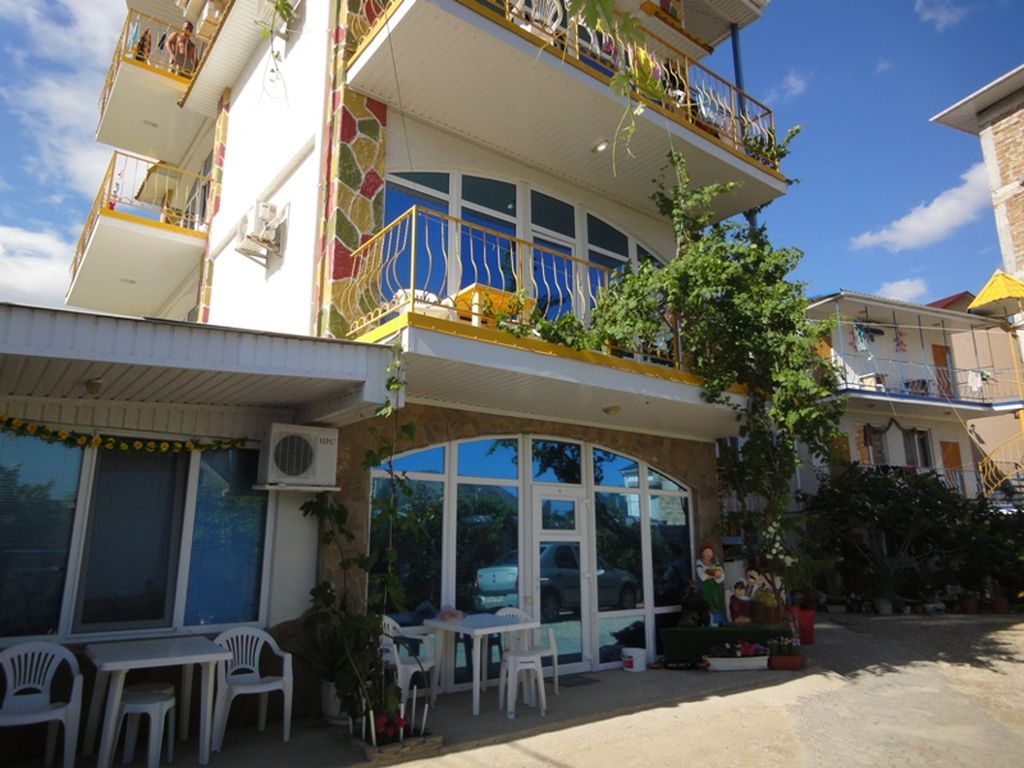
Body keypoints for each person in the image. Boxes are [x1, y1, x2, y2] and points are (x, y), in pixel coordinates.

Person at [695, 541, 726, 626]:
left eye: (710, 552)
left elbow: (722, 575)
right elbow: (702, 576)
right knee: (707, 605)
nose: (708, 554)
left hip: (715, 588)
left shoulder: (715, 562)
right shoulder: (699, 563)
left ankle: (718, 623)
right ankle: (708, 622)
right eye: (706, 552)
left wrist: (715, 576)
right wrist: (714, 575)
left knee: (717, 604)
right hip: (705, 589)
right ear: (702, 554)